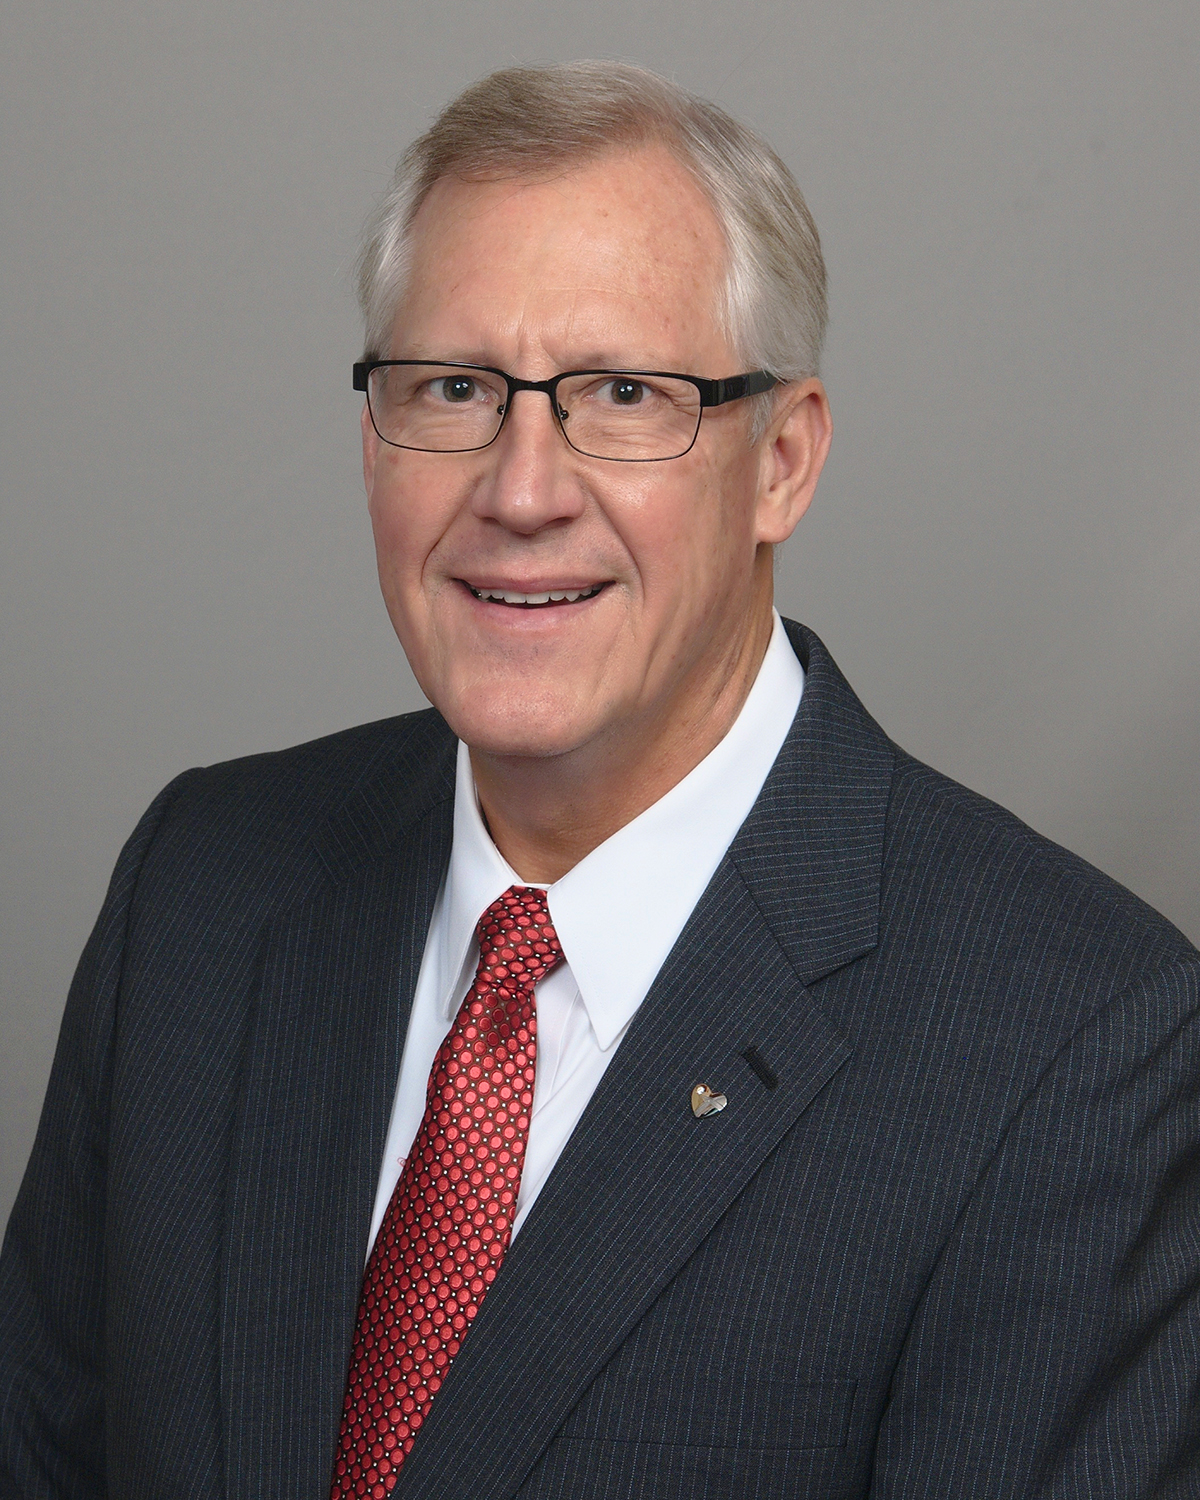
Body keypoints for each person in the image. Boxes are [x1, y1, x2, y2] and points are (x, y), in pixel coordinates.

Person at [2, 60, 1197, 1500]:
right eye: (454, 389)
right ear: (372, 439)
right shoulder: (200, 890)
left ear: (783, 461)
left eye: (624, 395)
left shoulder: (1075, 1048)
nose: (521, 491)